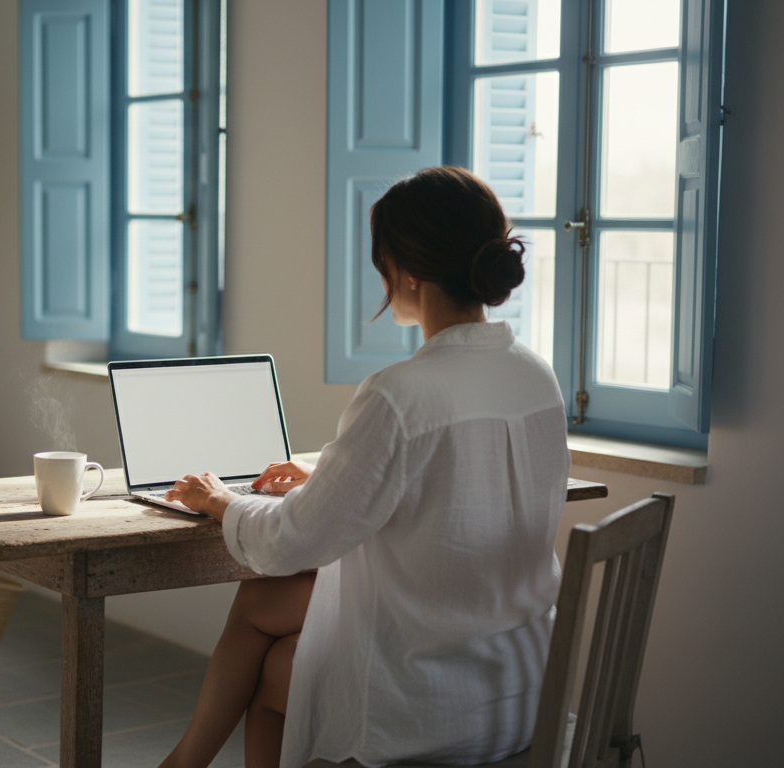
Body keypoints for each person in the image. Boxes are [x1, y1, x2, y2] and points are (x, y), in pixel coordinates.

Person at [158, 166, 571, 768]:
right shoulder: (536, 375)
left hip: (428, 702)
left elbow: (291, 542)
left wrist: (220, 500)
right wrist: (330, 481)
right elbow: (448, 485)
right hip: (521, 686)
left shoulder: (398, 394)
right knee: (266, 615)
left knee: (267, 645)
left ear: (403, 270)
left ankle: (183, 763)